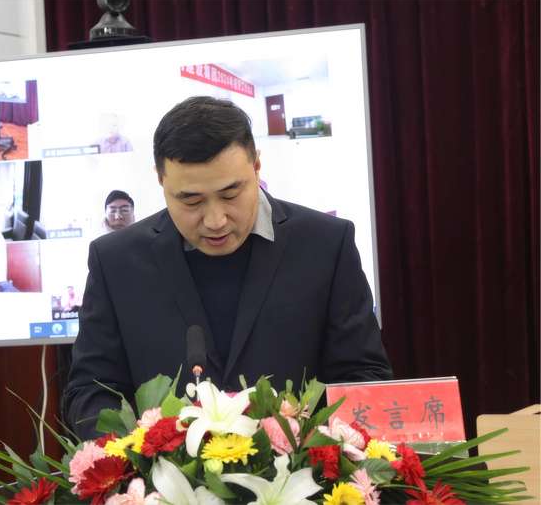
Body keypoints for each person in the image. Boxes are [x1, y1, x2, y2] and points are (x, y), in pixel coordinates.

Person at [65, 96, 392, 440]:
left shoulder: (325, 245)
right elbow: (90, 389)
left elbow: (363, 377)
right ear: (160, 181)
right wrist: (142, 454)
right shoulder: (116, 261)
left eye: (231, 193)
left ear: (257, 166)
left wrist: (309, 446)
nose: (215, 220)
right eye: (191, 200)